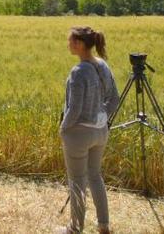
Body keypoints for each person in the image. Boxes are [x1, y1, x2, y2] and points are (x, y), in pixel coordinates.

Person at [57, 27, 119, 234]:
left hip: (78, 134)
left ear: (79, 44)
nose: (68, 44)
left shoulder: (78, 72)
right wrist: (101, 118)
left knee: (77, 181)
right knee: (95, 176)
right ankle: (104, 226)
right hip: (100, 133)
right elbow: (114, 100)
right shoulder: (103, 65)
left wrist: (63, 128)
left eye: (70, 41)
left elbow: (74, 109)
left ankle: (75, 229)